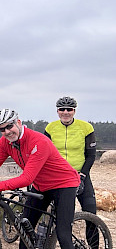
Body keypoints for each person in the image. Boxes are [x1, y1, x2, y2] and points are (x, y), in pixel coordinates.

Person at [0, 108, 79, 249]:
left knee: (63, 235)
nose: (7, 132)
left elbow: (27, 179)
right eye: (2, 129)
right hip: (40, 186)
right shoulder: (5, 142)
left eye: (9, 126)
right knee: (25, 232)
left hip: (64, 184)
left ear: (18, 122)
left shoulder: (38, 141)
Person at [44, 96, 98, 238]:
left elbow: (91, 156)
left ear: (74, 111)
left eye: (69, 109)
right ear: (57, 111)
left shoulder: (86, 128)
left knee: (91, 212)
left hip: (81, 174)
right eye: (62, 109)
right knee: (60, 216)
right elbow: (44, 154)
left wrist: (83, 174)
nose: (66, 112)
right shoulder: (51, 128)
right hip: (58, 177)